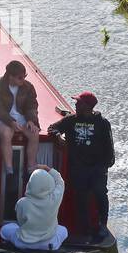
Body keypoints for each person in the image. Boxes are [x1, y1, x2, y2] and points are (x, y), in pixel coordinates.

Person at [49, 91, 115, 241]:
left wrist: (105, 166)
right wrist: (58, 136)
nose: (75, 104)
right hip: (78, 167)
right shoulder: (71, 120)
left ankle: (102, 226)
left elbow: (109, 148)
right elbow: (52, 128)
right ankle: (84, 229)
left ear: (87, 106)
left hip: (98, 168)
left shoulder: (103, 123)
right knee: (81, 197)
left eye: (78, 103)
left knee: (100, 194)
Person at [0, 60, 41, 201]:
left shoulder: (28, 88)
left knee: (34, 134)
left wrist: (31, 120)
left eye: (24, 76)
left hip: (22, 118)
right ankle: (10, 171)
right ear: (10, 76)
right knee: (6, 133)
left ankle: (30, 169)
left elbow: (32, 106)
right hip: (2, 119)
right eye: (20, 77)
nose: (23, 80)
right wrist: (10, 122)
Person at [0, 164, 68, 251]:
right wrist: (47, 168)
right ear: (49, 184)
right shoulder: (54, 199)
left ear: (30, 184)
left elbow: (21, 223)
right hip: (49, 244)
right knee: (63, 230)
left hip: (23, 243)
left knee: (5, 229)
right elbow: (60, 182)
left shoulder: (22, 203)